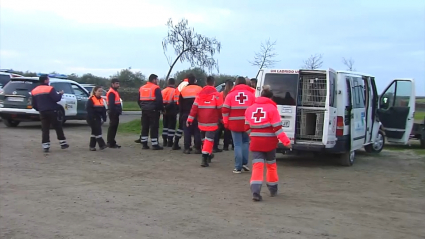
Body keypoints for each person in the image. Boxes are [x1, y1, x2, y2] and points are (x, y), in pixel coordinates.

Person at [244, 85, 292, 202]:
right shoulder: (272, 109)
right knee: (271, 166)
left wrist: (253, 136)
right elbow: (278, 129)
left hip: (256, 143)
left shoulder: (249, 109)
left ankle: (255, 191)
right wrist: (286, 142)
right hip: (270, 143)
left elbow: (246, 127)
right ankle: (272, 188)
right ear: (271, 98)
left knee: (257, 167)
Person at [222, 76, 255, 173]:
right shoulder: (251, 94)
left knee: (237, 144)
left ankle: (238, 167)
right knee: (245, 143)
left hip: (234, 123)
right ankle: (245, 163)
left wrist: (225, 121)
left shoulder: (230, 95)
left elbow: (225, 110)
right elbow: (254, 109)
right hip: (247, 123)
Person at [187, 76, 222, 167]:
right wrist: (222, 119)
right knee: (209, 140)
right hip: (212, 121)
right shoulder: (217, 95)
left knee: (205, 140)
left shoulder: (199, 94)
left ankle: (209, 155)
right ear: (214, 83)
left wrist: (190, 119)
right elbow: (220, 109)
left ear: (206, 82)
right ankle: (204, 157)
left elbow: (194, 108)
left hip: (201, 121)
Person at [31, 74, 69, 152]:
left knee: (45, 129)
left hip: (43, 112)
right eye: (48, 79)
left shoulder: (34, 90)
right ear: (45, 80)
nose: (48, 81)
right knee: (58, 127)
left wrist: (40, 109)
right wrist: (60, 94)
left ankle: (46, 146)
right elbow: (56, 99)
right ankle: (63, 143)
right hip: (52, 111)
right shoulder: (50, 88)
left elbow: (34, 104)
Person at [137, 74, 164, 150]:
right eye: (157, 80)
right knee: (154, 127)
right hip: (153, 110)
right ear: (154, 80)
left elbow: (138, 100)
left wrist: (142, 107)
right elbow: (159, 100)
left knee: (145, 126)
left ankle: (144, 144)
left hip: (144, 110)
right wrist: (160, 109)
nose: (157, 81)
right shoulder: (156, 88)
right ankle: (155, 144)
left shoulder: (142, 88)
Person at [179, 74, 202, 154]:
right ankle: (198, 148)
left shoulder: (183, 90)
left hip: (186, 113)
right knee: (197, 131)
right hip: (197, 114)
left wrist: (181, 114)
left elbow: (180, 104)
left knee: (187, 131)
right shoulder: (200, 89)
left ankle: (187, 148)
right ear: (195, 80)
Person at [214, 79, 234, 151]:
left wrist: (219, 117)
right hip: (229, 116)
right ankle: (226, 146)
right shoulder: (232, 95)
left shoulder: (221, 94)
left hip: (221, 115)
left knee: (218, 132)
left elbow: (219, 105)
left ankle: (215, 146)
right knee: (228, 132)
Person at [86, 86, 107, 151]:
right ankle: (102, 144)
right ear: (95, 91)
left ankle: (92, 146)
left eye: (101, 91)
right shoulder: (91, 99)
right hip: (92, 118)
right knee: (98, 131)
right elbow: (89, 109)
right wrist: (94, 117)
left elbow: (103, 110)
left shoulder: (101, 100)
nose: (100, 92)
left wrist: (104, 118)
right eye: (99, 91)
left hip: (98, 118)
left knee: (94, 132)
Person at [171, 78, 189, 150]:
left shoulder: (180, 85)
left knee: (180, 126)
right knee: (187, 127)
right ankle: (188, 145)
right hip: (186, 107)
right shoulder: (186, 85)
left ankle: (176, 142)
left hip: (180, 106)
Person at [161, 78, 178, 147]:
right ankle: (170, 141)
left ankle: (164, 140)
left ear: (168, 83)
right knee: (172, 126)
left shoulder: (163, 91)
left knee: (165, 125)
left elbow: (160, 101)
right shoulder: (175, 91)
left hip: (164, 110)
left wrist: (163, 108)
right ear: (174, 83)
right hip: (172, 110)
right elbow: (175, 101)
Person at [106, 78, 122, 148]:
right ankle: (110, 142)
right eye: (116, 83)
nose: (118, 85)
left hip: (115, 112)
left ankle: (112, 141)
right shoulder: (112, 92)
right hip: (113, 113)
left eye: (118, 83)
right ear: (112, 84)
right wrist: (115, 112)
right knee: (112, 127)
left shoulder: (115, 91)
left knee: (114, 127)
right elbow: (111, 104)